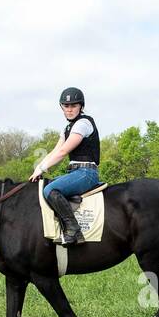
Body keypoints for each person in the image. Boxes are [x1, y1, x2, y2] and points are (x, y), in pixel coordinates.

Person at [31, 86, 101, 246]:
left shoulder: (83, 123)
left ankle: (73, 231)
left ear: (81, 106)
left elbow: (63, 152)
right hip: (74, 172)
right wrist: (38, 168)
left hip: (86, 172)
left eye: (73, 106)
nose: (69, 110)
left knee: (50, 190)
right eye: (66, 106)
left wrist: (42, 168)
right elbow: (55, 150)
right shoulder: (68, 128)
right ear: (62, 107)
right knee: (44, 185)